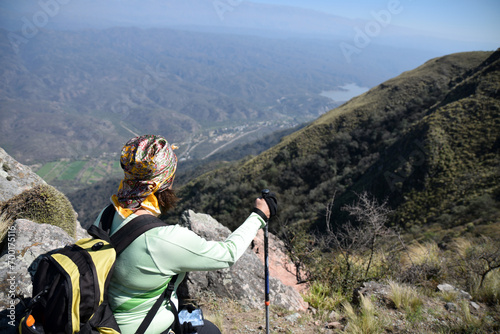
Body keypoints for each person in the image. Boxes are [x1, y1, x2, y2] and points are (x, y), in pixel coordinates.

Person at [93, 134, 272, 334]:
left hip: (102, 321)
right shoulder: (164, 239)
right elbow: (227, 254)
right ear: (163, 182)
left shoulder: (106, 215)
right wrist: (259, 216)